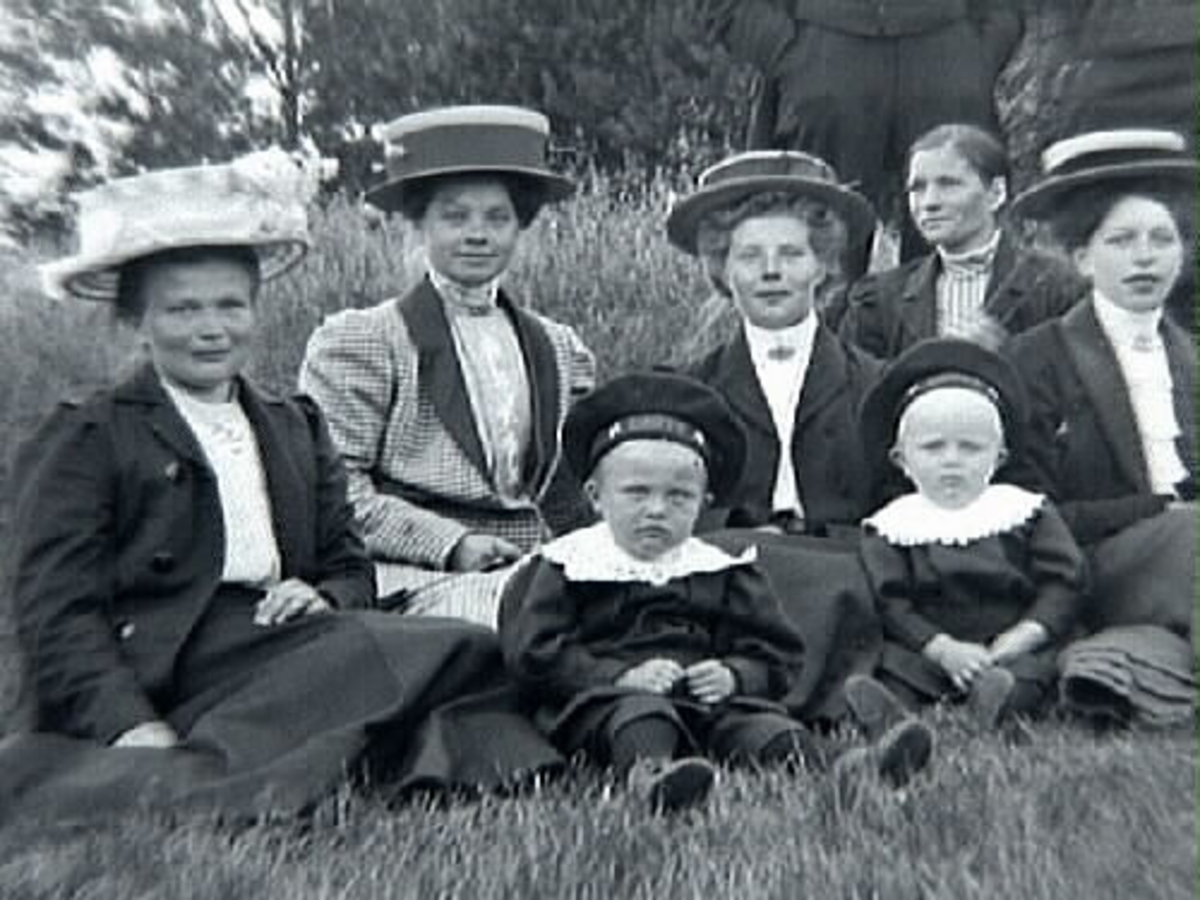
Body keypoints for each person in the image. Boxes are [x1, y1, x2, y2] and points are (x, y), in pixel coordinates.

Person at [0, 150, 560, 827]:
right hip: (168, 659)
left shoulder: (289, 423)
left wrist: (319, 593)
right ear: (137, 321)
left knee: (467, 647)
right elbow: (55, 610)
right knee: (399, 658)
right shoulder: (89, 434)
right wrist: (127, 724)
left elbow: (350, 566)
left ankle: (357, 765)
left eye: (230, 306)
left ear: (255, 309)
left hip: (279, 638)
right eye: (182, 310)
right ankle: (172, 774)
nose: (212, 328)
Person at [500, 372, 932, 812]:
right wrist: (616, 676)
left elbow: (776, 652)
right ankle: (652, 780)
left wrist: (735, 674)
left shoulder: (718, 567)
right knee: (642, 715)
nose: (656, 510)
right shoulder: (570, 565)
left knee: (762, 726)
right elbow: (535, 652)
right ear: (596, 496)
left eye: (679, 497)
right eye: (636, 493)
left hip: (708, 702)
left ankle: (850, 766)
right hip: (604, 703)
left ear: (705, 503)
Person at [299, 106, 595, 628]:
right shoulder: (364, 340)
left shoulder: (559, 346)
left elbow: (575, 483)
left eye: (497, 217)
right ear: (419, 223)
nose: (477, 234)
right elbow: (335, 489)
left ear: (520, 224)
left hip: (541, 566)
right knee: (514, 624)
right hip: (412, 572)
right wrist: (452, 543)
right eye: (455, 217)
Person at [1005, 128, 1196, 728]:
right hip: (1091, 565)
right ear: (1083, 257)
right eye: (1121, 241)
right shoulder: (1035, 359)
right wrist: (1155, 511)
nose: (1145, 257)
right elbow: (1032, 513)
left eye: (1162, 240)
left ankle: (1129, 663)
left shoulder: (1192, 359)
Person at [857, 339, 1087, 729]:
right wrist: (942, 649)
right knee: (894, 668)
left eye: (971, 448)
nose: (952, 460)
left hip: (1012, 642)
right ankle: (893, 714)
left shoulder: (1023, 511)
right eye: (932, 447)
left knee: (1028, 675)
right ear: (902, 460)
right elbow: (891, 604)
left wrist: (1024, 635)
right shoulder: (893, 526)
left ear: (999, 457)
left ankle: (995, 700)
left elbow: (1065, 583)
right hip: (932, 648)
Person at [703, 1, 1024, 273]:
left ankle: (941, 345)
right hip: (824, 58)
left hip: (947, 55)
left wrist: (978, 56)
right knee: (817, 253)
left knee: (954, 255)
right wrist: (786, 53)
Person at [837, 124, 1086, 358]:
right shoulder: (880, 300)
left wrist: (1008, 357)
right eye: (917, 188)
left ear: (996, 193)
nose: (929, 202)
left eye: (948, 184)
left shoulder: (1056, 287)